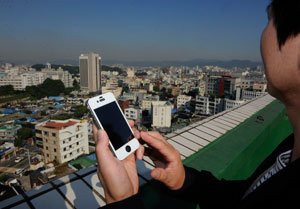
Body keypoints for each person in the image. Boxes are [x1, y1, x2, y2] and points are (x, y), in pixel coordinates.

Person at [92, 0, 300, 208]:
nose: (262, 35)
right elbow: (248, 196)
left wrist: (122, 201)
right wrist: (184, 180)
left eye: (270, 19)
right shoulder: (291, 148)